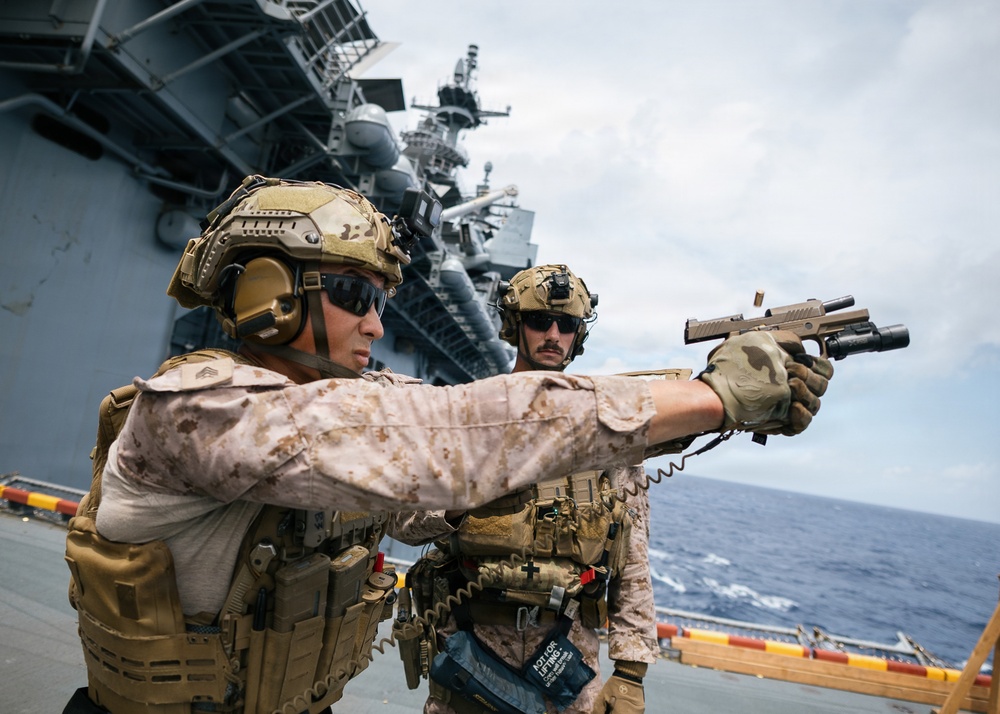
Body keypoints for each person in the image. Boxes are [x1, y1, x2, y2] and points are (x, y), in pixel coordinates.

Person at [62, 175, 832, 714]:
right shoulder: (198, 407)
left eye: (382, 302)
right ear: (269, 287)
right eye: (358, 296)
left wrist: (712, 401)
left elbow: (439, 473)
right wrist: (717, 394)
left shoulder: (344, 407)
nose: (377, 323)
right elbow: (454, 438)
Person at [398, 265, 662, 714]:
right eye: (540, 321)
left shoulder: (605, 432)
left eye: (568, 325)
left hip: (567, 657)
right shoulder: (467, 414)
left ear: (579, 335)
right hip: (471, 650)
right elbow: (403, 522)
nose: (553, 334)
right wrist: (462, 501)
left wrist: (631, 671)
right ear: (514, 325)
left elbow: (632, 558)